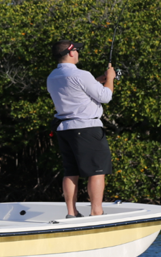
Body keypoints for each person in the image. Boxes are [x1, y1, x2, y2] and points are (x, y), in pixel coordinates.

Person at [47, 40, 116, 218]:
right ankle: (96, 212)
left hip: (65, 129)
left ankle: (72, 213)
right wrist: (110, 79)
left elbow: (75, 90)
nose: (78, 53)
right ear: (70, 53)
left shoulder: (52, 77)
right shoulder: (82, 75)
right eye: (76, 50)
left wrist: (96, 81)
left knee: (71, 171)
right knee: (97, 171)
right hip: (87, 128)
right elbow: (105, 96)